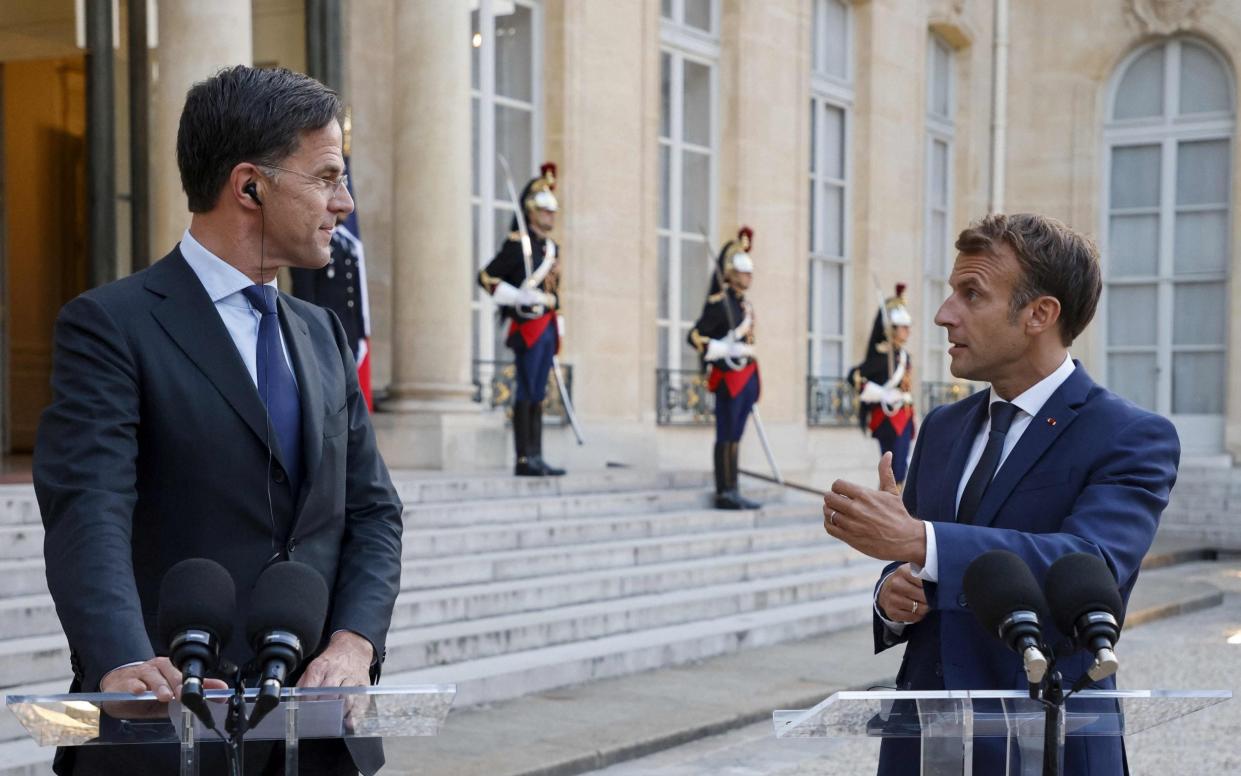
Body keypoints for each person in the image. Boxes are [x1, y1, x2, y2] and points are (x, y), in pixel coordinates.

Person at [33, 65, 404, 776]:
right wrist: (120, 661)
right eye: (327, 177)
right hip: (162, 728)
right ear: (249, 186)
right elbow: (89, 510)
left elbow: (373, 511)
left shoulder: (323, 333)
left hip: (317, 736)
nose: (345, 202)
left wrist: (354, 642)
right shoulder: (111, 325)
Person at [821, 213, 1179, 775]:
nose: (944, 315)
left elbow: (1092, 564)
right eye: (950, 292)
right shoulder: (941, 426)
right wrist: (893, 591)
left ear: (1040, 314)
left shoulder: (1130, 436)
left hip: (1051, 745)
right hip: (925, 745)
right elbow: (924, 561)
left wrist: (918, 539)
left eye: (972, 294)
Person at [478, 162, 566, 477]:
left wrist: (560, 323)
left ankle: (537, 454)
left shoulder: (552, 248)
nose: (550, 216)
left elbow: (556, 291)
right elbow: (486, 277)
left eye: (552, 211)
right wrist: (517, 297)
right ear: (530, 211)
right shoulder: (519, 245)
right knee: (527, 390)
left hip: (546, 326)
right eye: (545, 211)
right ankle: (523, 458)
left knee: (539, 392)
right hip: (527, 327)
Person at [688, 226, 762, 510]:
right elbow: (694, 336)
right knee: (725, 434)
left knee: (736, 436)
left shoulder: (744, 307)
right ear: (729, 272)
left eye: (749, 272)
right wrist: (721, 348)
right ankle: (724, 490)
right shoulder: (720, 305)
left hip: (744, 377)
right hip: (728, 378)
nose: (748, 277)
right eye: (743, 272)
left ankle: (734, 487)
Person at [849, 284, 916, 485]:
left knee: (901, 469)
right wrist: (881, 394)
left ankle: (891, 510)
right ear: (891, 329)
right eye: (903, 327)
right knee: (892, 470)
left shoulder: (904, 356)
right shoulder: (880, 357)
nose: (908, 331)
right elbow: (854, 377)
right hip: (887, 418)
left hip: (904, 415)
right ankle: (886, 510)